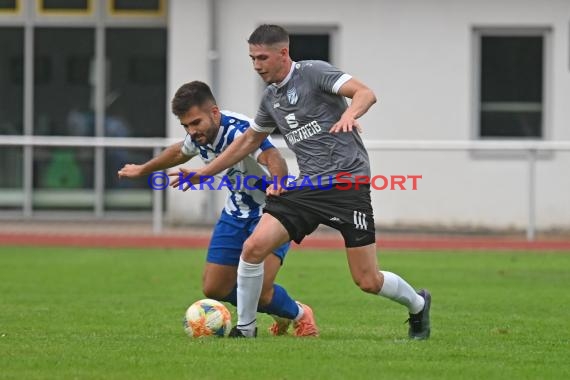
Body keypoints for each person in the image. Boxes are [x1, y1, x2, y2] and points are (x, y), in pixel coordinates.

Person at [180, 25, 431, 339]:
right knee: (253, 247)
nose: (256, 65)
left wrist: (351, 113)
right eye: (252, 58)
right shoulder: (271, 98)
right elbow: (247, 141)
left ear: (283, 53)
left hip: (347, 185)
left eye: (262, 57)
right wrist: (202, 173)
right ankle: (245, 329)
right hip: (308, 187)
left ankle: (419, 305)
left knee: (367, 280)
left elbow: (365, 93)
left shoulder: (314, 73)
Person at [117, 80, 318, 337]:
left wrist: (278, 186)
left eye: (195, 123)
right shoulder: (200, 135)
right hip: (236, 212)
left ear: (214, 112)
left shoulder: (238, 130)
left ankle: (299, 313)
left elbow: (273, 157)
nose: (191, 131)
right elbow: (180, 151)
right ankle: (275, 308)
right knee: (214, 288)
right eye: (185, 125)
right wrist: (144, 169)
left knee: (262, 291)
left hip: (272, 212)